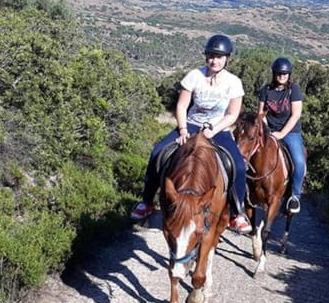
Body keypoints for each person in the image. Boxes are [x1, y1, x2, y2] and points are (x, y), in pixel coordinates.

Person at [130, 34, 253, 234]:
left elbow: (232, 114)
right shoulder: (195, 76)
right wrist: (183, 129)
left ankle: (237, 213)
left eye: (219, 57)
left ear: (227, 58)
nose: (215, 60)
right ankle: (146, 202)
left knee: (238, 166)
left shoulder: (234, 82)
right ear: (206, 56)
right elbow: (182, 105)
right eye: (212, 56)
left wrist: (214, 129)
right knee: (157, 152)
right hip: (191, 124)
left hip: (218, 129)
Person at [258, 57, 306, 214]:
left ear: (289, 75)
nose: (282, 76)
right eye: (279, 74)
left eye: (285, 74)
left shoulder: (294, 90)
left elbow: (296, 114)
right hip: (269, 130)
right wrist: (267, 130)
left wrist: (281, 134)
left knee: (299, 163)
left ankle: (295, 196)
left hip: (290, 132)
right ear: (274, 74)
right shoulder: (266, 90)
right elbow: (261, 113)